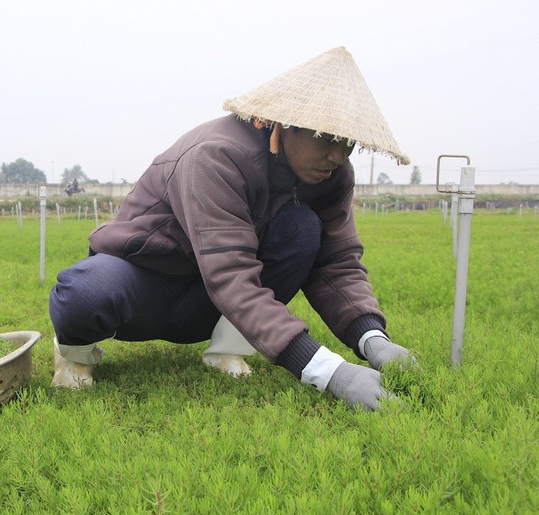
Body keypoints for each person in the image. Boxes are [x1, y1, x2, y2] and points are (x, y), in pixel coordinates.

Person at [48, 47, 415, 411]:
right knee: (86, 292)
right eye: (325, 138)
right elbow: (230, 272)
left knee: (303, 228)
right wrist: (333, 373)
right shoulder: (217, 155)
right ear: (283, 124)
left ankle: (228, 349)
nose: (337, 155)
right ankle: (74, 355)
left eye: (347, 143)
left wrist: (372, 338)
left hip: (212, 303)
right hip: (147, 284)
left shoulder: (331, 177)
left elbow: (336, 262)